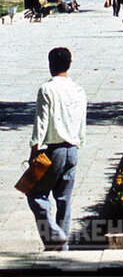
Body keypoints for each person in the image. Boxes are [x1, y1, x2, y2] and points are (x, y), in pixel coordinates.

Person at [27, 47, 86, 251]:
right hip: (72, 149)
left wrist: (34, 151)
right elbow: (81, 122)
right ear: (69, 65)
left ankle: (54, 235)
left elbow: (41, 123)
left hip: (52, 151)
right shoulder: (78, 90)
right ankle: (62, 247)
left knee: (35, 194)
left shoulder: (47, 89)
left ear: (50, 64)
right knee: (64, 200)